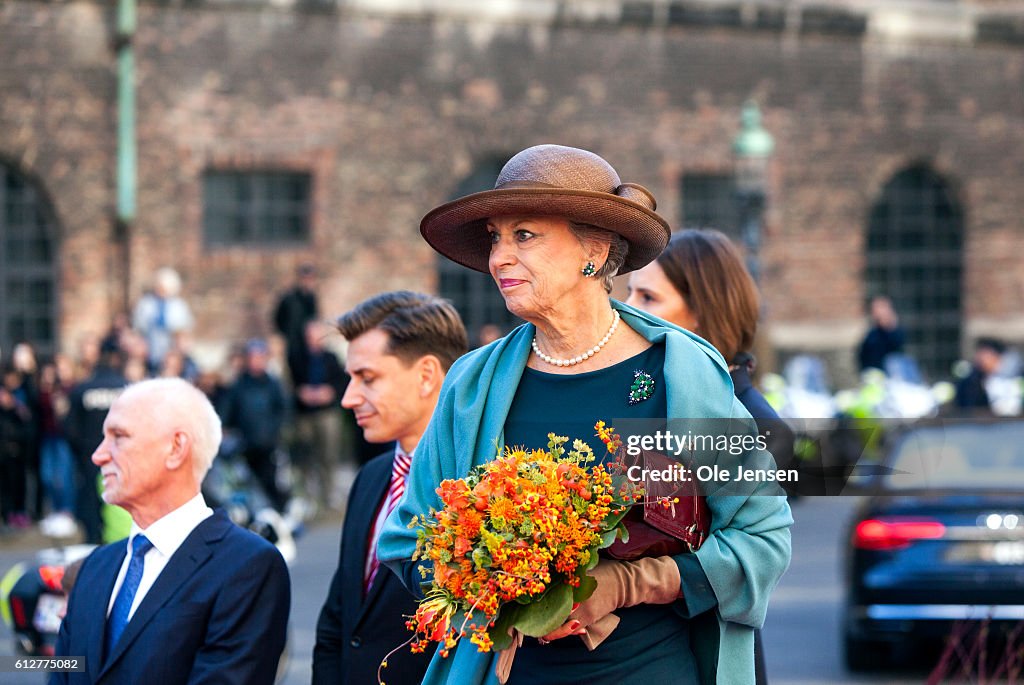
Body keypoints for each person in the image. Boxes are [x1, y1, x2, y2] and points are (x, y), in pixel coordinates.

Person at [378, 145, 793, 684]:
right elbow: (408, 540)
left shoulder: (681, 373)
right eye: (494, 239)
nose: (499, 257)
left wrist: (628, 584)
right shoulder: (473, 384)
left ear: (594, 249)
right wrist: (492, 573)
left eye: (523, 235)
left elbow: (761, 538)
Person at [626, 227, 795, 684]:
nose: (627, 312)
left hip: (706, 649)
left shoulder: (752, 422)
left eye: (648, 298)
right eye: (628, 294)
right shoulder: (648, 390)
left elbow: (747, 556)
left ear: (700, 312)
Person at [52, 378, 290, 684]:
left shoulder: (247, 566)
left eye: (119, 437)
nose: (99, 455)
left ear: (176, 448)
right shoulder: (94, 569)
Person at [313, 291, 468, 685]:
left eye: (367, 378)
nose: (349, 398)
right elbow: (340, 618)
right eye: (350, 379)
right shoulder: (371, 477)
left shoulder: (477, 489)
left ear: (426, 376)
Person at [63, 341, 127, 544]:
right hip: (123, 456)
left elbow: (69, 428)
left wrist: (80, 453)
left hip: (89, 455)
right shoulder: (129, 388)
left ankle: (93, 541)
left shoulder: (82, 389)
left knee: (90, 500)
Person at [219, 338, 290, 511]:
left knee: (272, 482)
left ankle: (278, 512)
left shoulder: (273, 384)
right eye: (252, 357)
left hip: (269, 443)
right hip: (247, 444)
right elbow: (228, 411)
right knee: (249, 483)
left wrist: (275, 431)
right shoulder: (239, 385)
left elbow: (283, 410)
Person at [290, 320, 348, 510]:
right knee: (307, 454)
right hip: (305, 414)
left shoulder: (331, 358)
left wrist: (329, 392)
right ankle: (309, 496)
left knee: (328, 454)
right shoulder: (297, 357)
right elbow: (291, 384)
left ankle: (328, 493)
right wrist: (301, 392)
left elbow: (341, 382)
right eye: (310, 337)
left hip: (327, 412)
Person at [132, 267, 194, 373]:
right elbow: (139, 325)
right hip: (151, 345)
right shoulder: (146, 303)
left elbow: (184, 327)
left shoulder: (178, 305)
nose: (160, 289)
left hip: (171, 347)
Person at [274, 262, 320, 382]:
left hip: (307, 345)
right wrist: (288, 335)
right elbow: (278, 320)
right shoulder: (288, 299)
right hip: (293, 344)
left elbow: (313, 320)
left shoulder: (311, 298)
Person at [954, 337, 1006, 413]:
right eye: (979, 353)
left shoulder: (1011, 379)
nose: (980, 358)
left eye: (986, 354)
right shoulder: (967, 383)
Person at [857, 295, 905, 372]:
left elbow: (897, 344)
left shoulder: (895, 331)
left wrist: (890, 324)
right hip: (874, 373)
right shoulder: (872, 335)